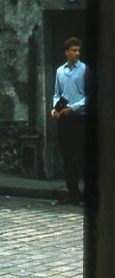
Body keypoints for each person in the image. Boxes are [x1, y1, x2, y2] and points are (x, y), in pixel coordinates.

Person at [50, 36, 88, 206]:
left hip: (79, 118)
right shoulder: (60, 71)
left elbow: (89, 95)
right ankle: (73, 194)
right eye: (73, 50)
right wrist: (55, 109)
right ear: (66, 52)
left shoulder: (85, 69)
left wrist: (72, 108)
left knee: (82, 156)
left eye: (78, 50)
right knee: (67, 157)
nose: (77, 53)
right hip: (64, 120)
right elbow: (57, 93)